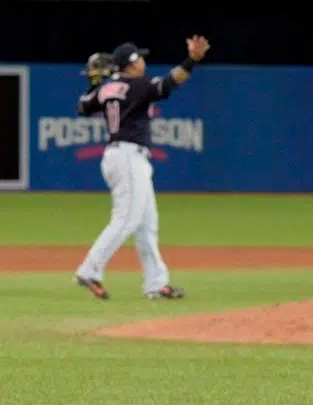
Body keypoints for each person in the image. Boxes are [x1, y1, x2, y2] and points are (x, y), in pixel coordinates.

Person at [74, 37, 213, 300]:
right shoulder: (138, 86)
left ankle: (156, 284)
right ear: (131, 64)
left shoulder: (107, 89)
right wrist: (192, 60)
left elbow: (83, 106)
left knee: (147, 224)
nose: (144, 61)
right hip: (128, 157)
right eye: (140, 58)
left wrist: (94, 82)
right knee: (126, 219)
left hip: (121, 156)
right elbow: (173, 80)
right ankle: (90, 269)